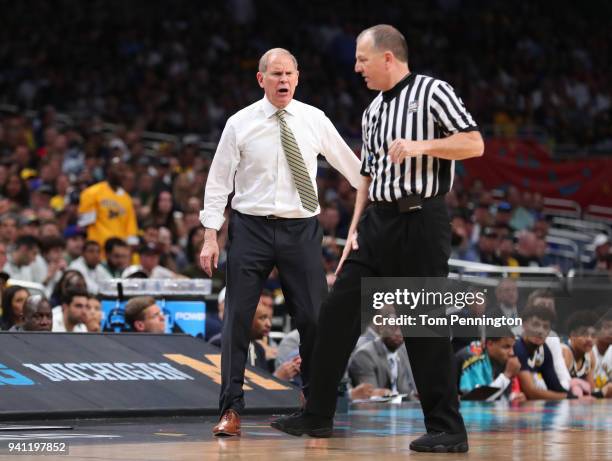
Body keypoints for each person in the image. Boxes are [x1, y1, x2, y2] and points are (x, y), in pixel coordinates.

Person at [271, 25, 483, 453]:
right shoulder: (371, 112)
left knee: (423, 327)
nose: (355, 68)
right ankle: (317, 417)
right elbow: (366, 178)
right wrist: (352, 230)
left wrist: (423, 147)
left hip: (421, 220)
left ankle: (447, 429)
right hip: (375, 224)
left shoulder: (432, 91)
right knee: (335, 316)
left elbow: (474, 143)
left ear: (388, 57)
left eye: (362, 60)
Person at [199, 47, 361, 437]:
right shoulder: (239, 123)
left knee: (313, 320)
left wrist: (365, 221)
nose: (283, 80)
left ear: (298, 77)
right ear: (261, 79)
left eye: (289, 73)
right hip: (250, 228)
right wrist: (209, 235)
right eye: (275, 74)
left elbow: (355, 170)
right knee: (237, 319)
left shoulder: (314, 119)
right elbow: (218, 181)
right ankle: (231, 409)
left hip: (301, 227)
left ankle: (314, 406)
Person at [78, 156, 139, 250]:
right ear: (109, 170)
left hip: (118, 253)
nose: (122, 174)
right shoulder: (92, 192)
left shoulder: (127, 199)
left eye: (124, 171)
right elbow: (84, 225)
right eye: (119, 170)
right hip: (97, 250)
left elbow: (130, 230)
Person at [514, 303, 568, 400]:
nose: (540, 331)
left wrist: (574, 397)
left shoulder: (544, 350)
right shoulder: (517, 346)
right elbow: (531, 392)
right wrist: (567, 397)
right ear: (524, 325)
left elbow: (555, 387)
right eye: (536, 324)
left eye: (545, 327)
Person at [457, 326, 525, 402]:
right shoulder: (472, 358)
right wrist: (507, 375)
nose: (512, 353)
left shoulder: (498, 359)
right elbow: (474, 399)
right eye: (506, 347)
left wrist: (513, 397)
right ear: (490, 344)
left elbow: (495, 394)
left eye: (513, 347)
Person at [348, 323, 416, 399]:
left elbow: (405, 392)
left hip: (402, 408)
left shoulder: (401, 352)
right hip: (378, 409)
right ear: (382, 329)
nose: (398, 333)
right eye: (393, 328)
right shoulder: (364, 354)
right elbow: (370, 395)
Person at [561, 310, 598, 398]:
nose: (589, 339)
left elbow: (591, 390)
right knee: (576, 388)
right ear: (572, 335)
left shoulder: (590, 355)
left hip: (573, 400)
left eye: (593, 335)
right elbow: (560, 388)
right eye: (584, 334)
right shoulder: (565, 353)